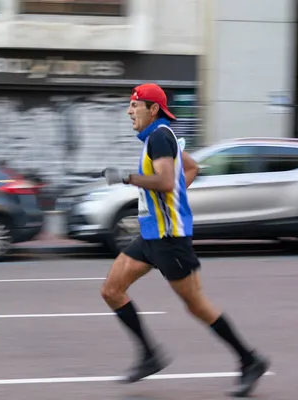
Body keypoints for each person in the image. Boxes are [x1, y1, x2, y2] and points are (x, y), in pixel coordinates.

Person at [100, 83, 270, 397]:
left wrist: (127, 177)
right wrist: (174, 195)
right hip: (151, 236)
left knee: (197, 306)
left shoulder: (160, 136)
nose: (129, 111)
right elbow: (190, 169)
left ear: (152, 109)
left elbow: (165, 180)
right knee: (111, 290)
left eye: (134, 105)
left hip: (171, 240)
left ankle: (250, 360)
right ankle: (150, 356)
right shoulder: (158, 137)